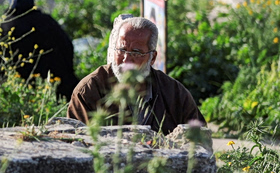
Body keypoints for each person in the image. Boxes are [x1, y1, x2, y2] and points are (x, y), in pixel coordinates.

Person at [68, 17, 205, 135]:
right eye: (121, 50)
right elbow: (76, 141)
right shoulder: (90, 89)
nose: (126, 60)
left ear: (152, 58)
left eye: (136, 53)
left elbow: (200, 137)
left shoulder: (174, 93)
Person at [0, 0, 79, 99]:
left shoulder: (1, 27)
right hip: (55, 91)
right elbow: (67, 49)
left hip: (15, 95)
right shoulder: (47, 23)